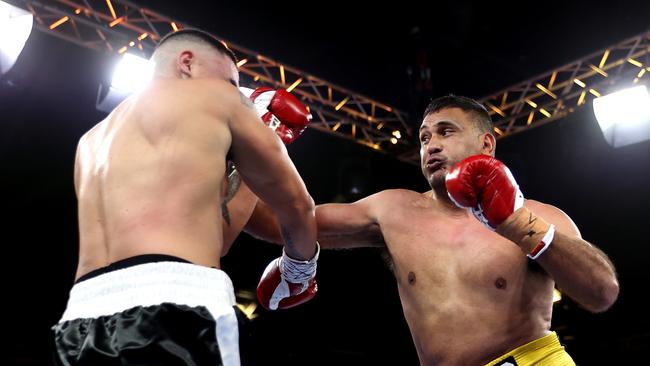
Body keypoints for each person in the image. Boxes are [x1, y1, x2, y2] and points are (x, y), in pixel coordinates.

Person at [240, 95, 620, 365]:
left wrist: (519, 224)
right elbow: (275, 223)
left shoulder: (536, 213)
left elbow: (601, 293)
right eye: (424, 138)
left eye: (446, 132)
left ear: (486, 144)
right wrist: (248, 141)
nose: (431, 146)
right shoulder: (392, 210)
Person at [52, 28, 320, 366]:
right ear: (187, 63)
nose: (236, 92)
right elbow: (297, 205)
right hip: (179, 306)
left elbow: (211, 237)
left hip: (80, 320)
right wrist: (299, 270)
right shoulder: (218, 97)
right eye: (230, 81)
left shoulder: (90, 141)